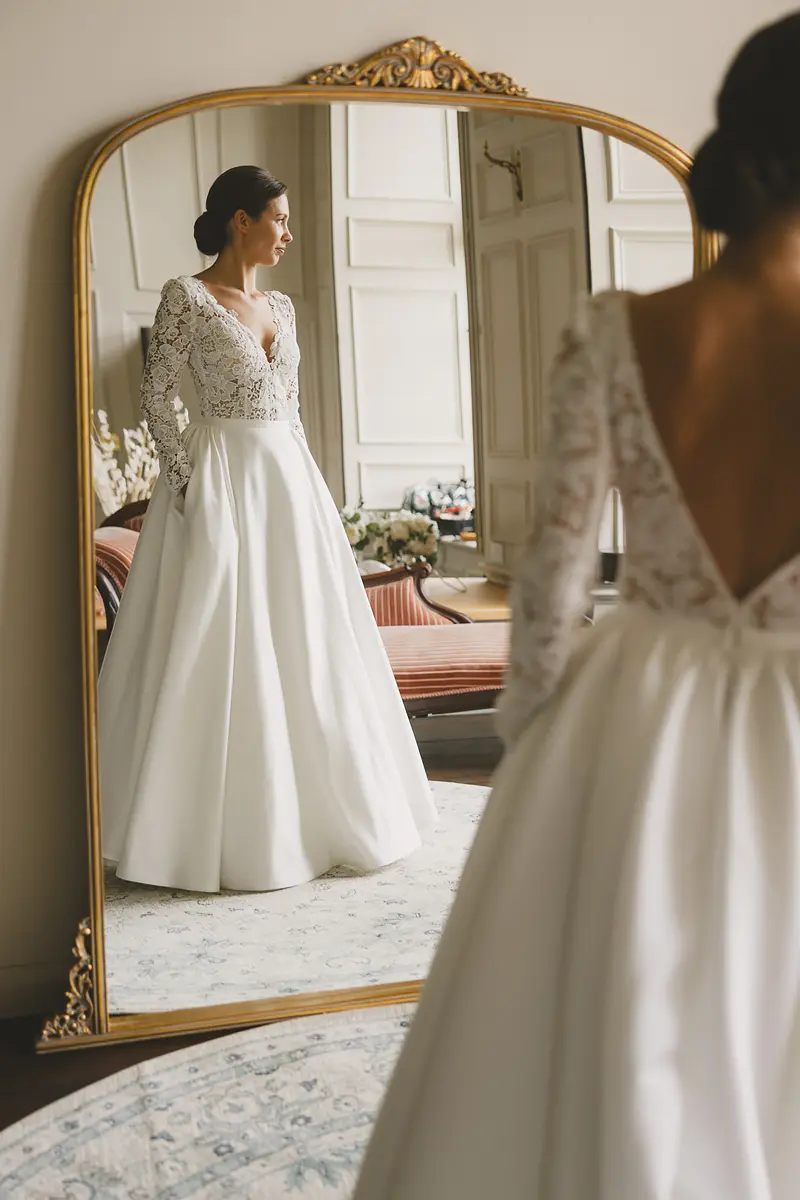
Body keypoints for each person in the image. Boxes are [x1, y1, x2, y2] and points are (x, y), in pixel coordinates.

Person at [354, 15, 800, 1199]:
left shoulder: (616, 335)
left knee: (621, 1021)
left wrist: (540, 757)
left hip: (637, 721)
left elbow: (547, 594)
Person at [99, 165, 437, 894]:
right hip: (221, 476)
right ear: (240, 220)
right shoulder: (187, 296)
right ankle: (214, 827)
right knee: (221, 637)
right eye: (278, 219)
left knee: (308, 635)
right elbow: (156, 395)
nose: (287, 232)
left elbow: (292, 407)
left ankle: (325, 814)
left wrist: (311, 492)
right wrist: (185, 481)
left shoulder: (280, 304)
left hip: (288, 481)